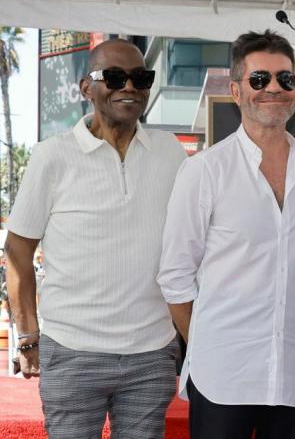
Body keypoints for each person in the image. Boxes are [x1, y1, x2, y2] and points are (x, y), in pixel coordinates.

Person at [157, 30, 295, 439]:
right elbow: (175, 277)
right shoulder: (204, 171)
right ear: (237, 91)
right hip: (222, 376)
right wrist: (209, 345)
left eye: (285, 79)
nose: (273, 88)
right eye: (260, 80)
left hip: (293, 377)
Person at [5, 38, 186, 437]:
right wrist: (28, 338)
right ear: (87, 88)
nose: (129, 87)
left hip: (151, 354)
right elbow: (17, 251)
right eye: (115, 77)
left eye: (141, 77)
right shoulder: (52, 155)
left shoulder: (170, 152)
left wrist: (286, 153)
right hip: (72, 351)